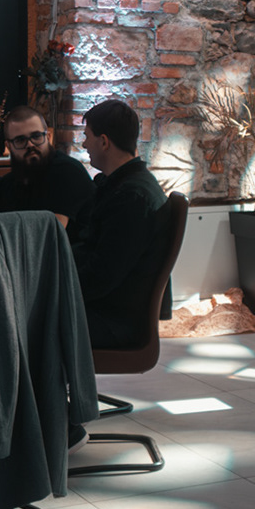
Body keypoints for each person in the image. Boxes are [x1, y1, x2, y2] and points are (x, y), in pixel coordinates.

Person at [65, 98, 168, 349]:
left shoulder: (132, 198)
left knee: (25, 318)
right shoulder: (123, 186)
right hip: (108, 309)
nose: (84, 144)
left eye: (87, 136)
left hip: (116, 321)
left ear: (104, 142)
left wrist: (52, 288)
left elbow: (101, 277)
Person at [0, 105, 93, 225]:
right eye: (20, 140)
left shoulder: (67, 171)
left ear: (48, 137)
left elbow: (51, 231)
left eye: (36, 136)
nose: (30, 145)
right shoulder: (5, 185)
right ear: (9, 146)